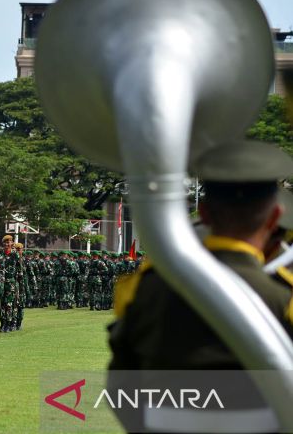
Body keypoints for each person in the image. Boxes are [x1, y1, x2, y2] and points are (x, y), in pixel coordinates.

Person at [108, 140, 293, 432]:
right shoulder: (285, 295)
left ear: (204, 213)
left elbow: (120, 386)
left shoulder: (147, 287)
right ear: (274, 218)